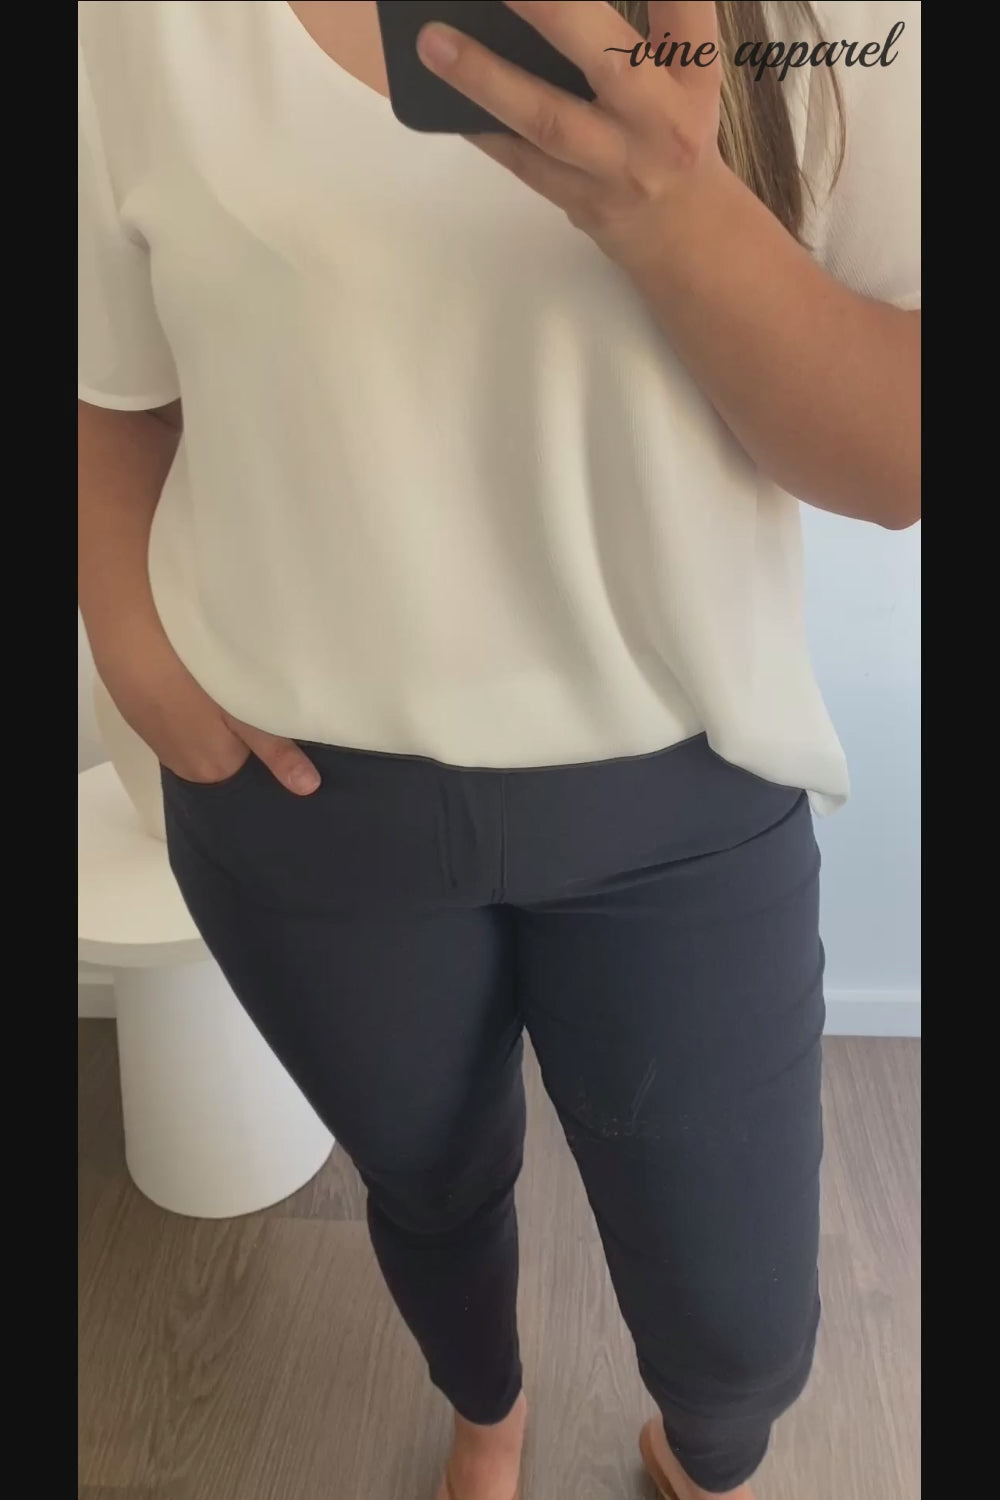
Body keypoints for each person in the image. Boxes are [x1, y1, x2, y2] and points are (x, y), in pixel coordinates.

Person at [77, 2, 920, 1496]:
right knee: (430, 1189)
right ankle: (489, 1410)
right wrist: (130, 647)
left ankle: (708, 1450)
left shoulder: (836, 25)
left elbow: (901, 460)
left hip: (681, 784)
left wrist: (673, 206)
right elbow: (109, 374)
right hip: (303, 801)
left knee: (741, 1332)